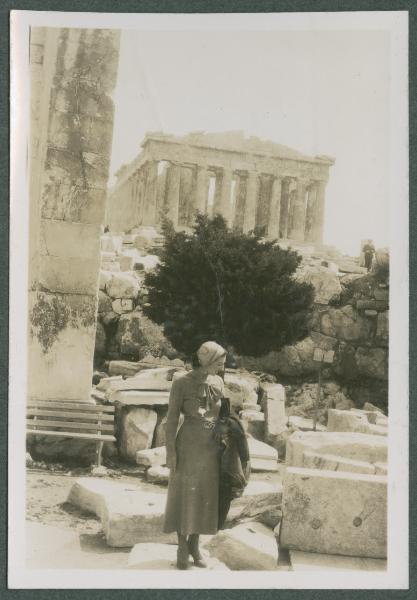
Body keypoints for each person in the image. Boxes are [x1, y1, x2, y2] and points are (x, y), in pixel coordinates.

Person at [163, 341, 227, 569]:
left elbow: (223, 414)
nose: (223, 364)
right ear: (206, 360)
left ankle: (195, 545)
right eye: (219, 360)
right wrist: (170, 452)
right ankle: (181, 545)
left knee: (205, 495)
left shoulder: (218, 381)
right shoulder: (181, 382)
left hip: (211, 448)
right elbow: (170, 419)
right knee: (184, 494)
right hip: (187, 445)